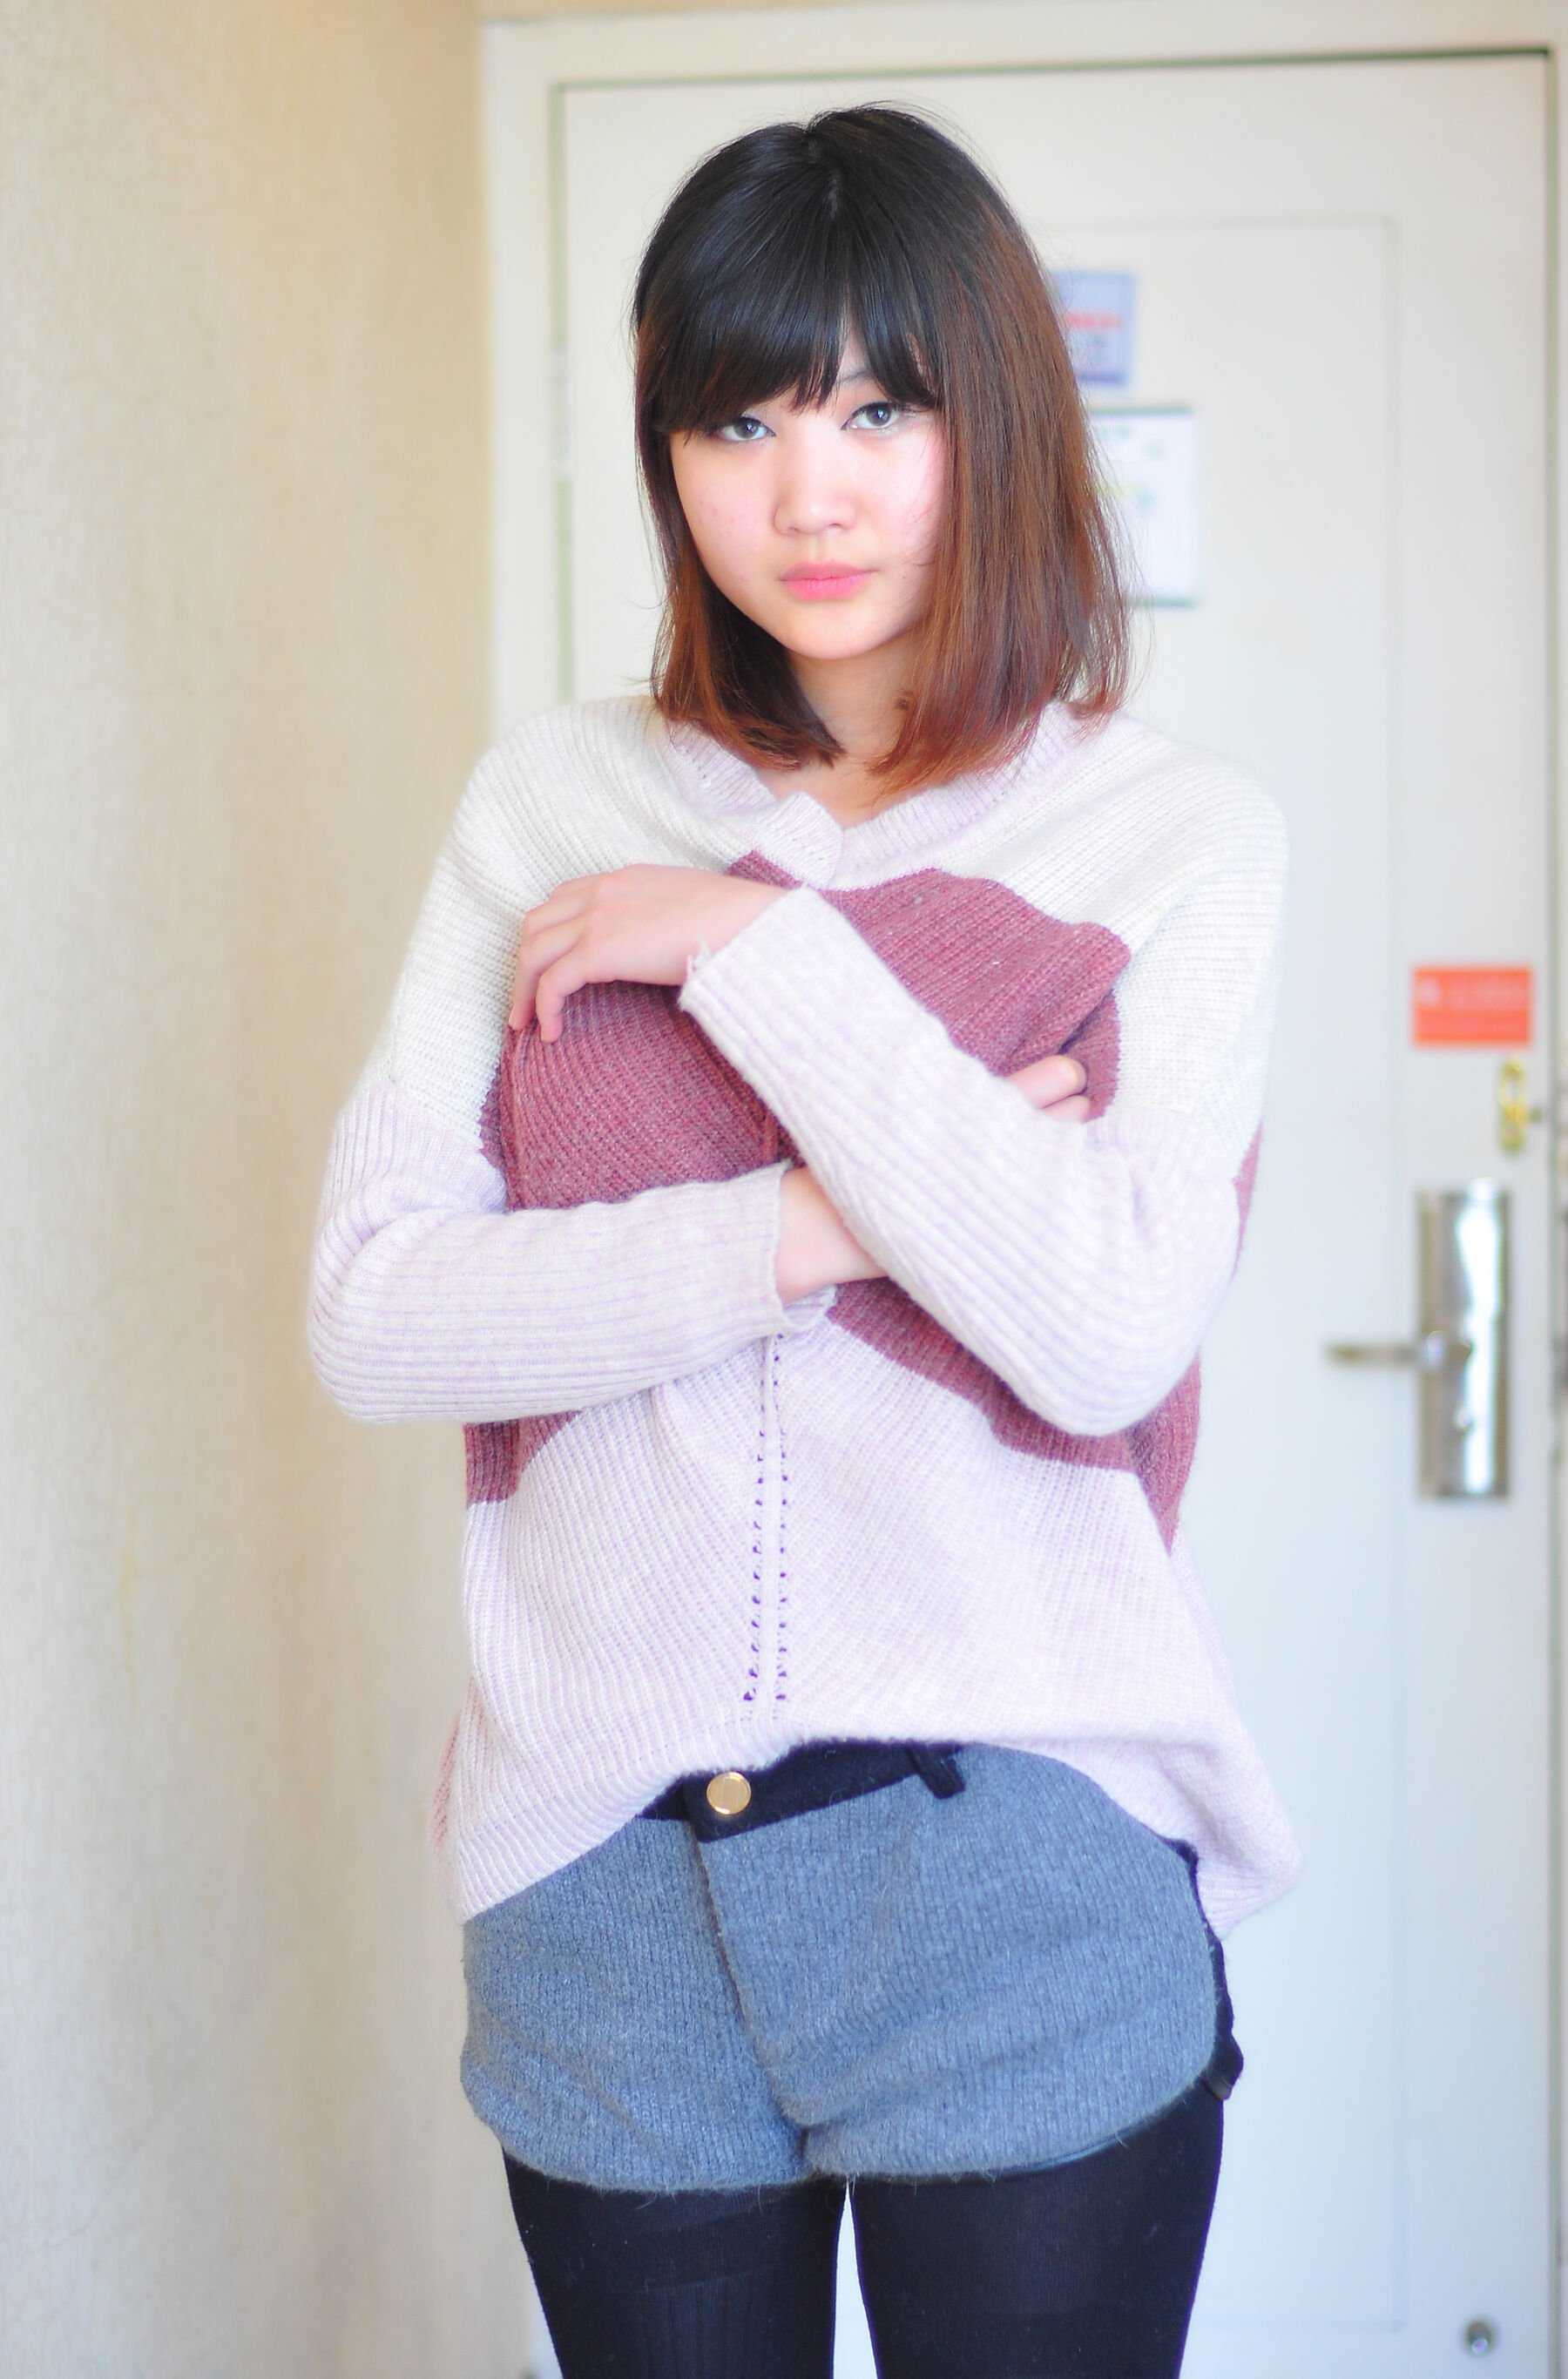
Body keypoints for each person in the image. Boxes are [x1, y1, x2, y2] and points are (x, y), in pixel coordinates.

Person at [308, 100, 1302, 2379]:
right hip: (604, 1880)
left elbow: (1101, 1324)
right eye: (738, 421)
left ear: (993, 417)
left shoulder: (1174, 840)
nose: (807, 492)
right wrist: (814, 1221)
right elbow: (377, 1311)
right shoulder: (547, 805)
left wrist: (744, 950)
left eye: (875, 410)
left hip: (1014, 1852)